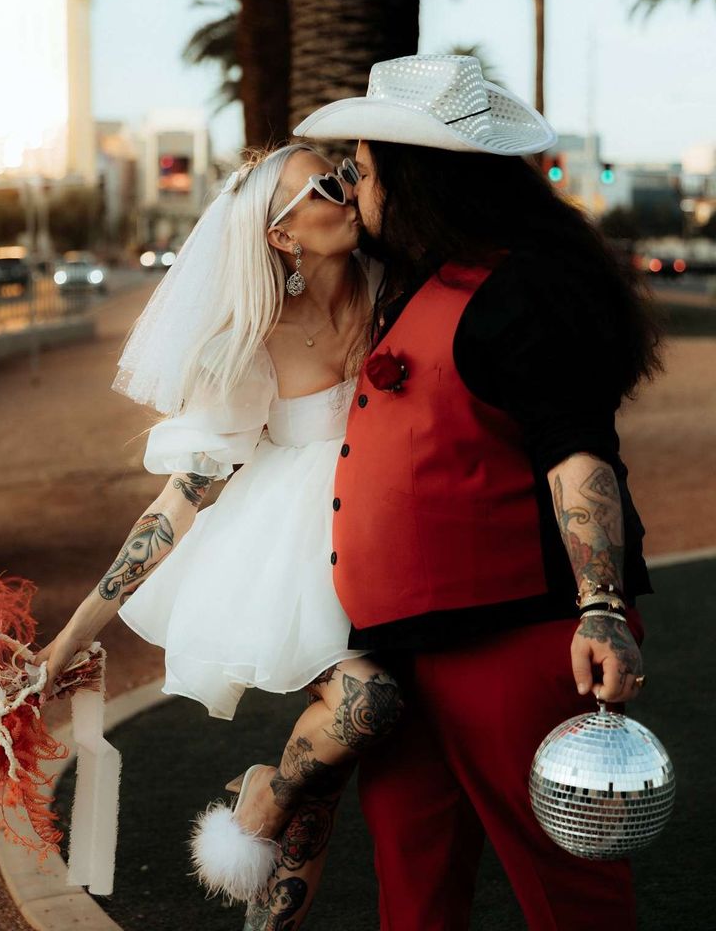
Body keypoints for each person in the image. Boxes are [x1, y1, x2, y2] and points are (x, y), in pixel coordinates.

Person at [271, 53, 659, 930]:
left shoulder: (525, 286)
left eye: (361, 171)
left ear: (413, 179)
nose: (351, 187)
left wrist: (599, 605)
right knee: (413, 895)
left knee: (569, 890)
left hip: (519, 643)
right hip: (406, 659)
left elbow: (579, 455)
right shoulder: (414, 280)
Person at [29, 143, 403, 912]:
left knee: (322, 785)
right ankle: (264, 789)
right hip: (304, 556)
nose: (348, 189)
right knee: (368, 702)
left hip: (398, 527)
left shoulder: (390, 286)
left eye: (345, 172)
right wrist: (68, 641)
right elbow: (180, 500)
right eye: (325, 186)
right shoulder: (250, 345)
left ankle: (272, 852)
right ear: (283, 236)